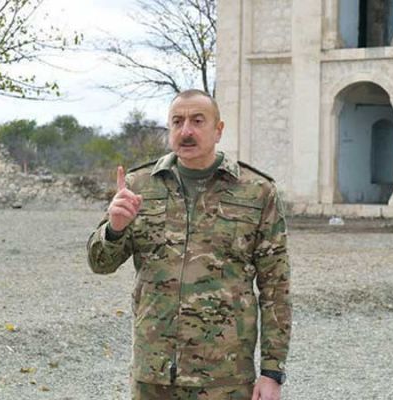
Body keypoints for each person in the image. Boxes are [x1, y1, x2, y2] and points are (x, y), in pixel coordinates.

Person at [87, 89, 292, 400]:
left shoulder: (257, 192)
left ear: (218, 130)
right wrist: (115, 228)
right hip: (153, 375)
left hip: (225, 377)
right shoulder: (139, 186)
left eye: (198, 121)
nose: (186, 131)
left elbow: (276, 286)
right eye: (177, 122)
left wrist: (272, 371)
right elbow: (100, 264)